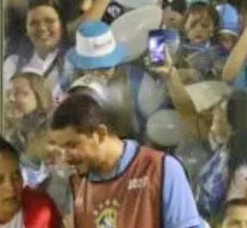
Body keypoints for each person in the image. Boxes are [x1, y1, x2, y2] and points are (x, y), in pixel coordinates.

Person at [48, 91, 203, 228]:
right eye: (61, 147)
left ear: (100, 134)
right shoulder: (75, 184)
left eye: (72, 145)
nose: (66, 156)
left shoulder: (161, 169)